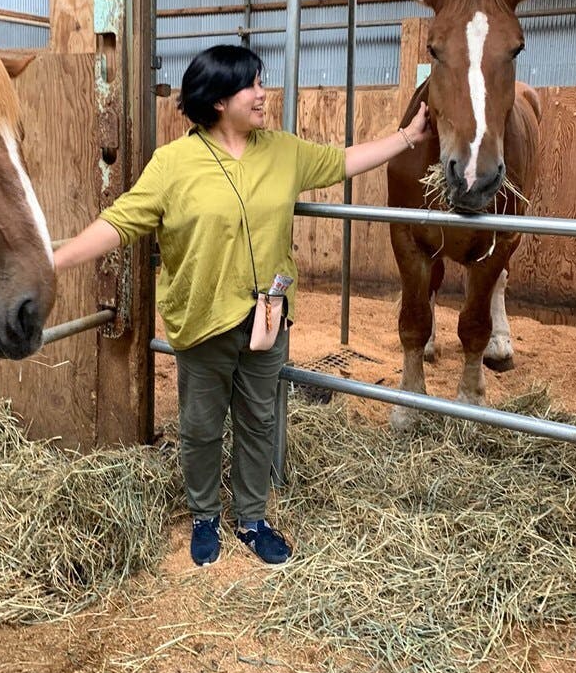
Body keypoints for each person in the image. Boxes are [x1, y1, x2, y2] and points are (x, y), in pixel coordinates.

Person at [54, 45, 431, 567]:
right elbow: (121, 221)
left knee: (258, 420)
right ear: (216, 101)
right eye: (250, 85)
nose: (262, 93)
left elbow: (343, 160)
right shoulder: (173, 163)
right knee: (202, 425)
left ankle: (252, 518)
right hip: (203, 315)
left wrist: (406, 138)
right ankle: (205, 513)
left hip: (268, 317)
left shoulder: (281, 150)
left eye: (260, 81)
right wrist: (57, 258)